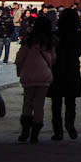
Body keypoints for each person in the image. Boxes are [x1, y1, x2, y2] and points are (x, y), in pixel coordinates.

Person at [14, 15, 56, 143]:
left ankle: (25, 131)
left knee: (27, 103)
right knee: (39, 105)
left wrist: (19, 71)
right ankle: (35, 134)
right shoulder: (49, 42)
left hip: (29, 75)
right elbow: (53, 59)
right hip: (44, 76)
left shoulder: (29, 41)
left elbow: (19, 58)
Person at [48, 7, 81, 140]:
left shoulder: (55, 35)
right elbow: (79, 52)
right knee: (71, 102)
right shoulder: (78, 36)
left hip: (57, 70)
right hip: (72, 69)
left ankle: (58, 131)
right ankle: (70, 125)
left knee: (56, 103)